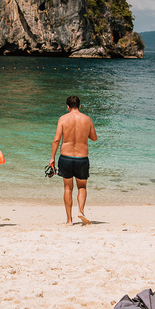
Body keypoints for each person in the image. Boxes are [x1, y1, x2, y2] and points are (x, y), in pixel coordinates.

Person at [49, 95, 97, 226]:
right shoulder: (87, 119)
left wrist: (52, 157)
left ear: (67, 106)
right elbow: (94, 138)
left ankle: (69, 220)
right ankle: (81, 211)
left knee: (67, 188)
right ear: (80, 106)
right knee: (82, 186)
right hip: (82, 158)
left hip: (66, 157)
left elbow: (56, 139)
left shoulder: (63, 119)